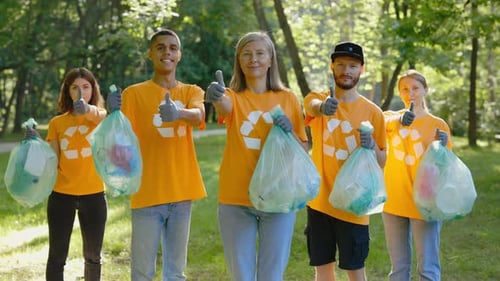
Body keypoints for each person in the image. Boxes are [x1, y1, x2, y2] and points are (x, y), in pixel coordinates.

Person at [205, 31, 308, 281]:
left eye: (260, 53)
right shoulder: (232, 96)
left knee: (272, 275)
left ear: (271, 59)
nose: (254, 60)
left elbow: (302, 151)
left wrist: (289, 130)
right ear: (239, 61)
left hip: (278, 197)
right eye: (247, 55)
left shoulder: (288, 98)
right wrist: (216, 95)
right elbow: (224, 106)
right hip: (236, 199)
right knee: (242, 275)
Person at [117, 29, 207, 281]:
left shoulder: (191, 92)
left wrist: (178, 113)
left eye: (172, 48)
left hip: (181, 192)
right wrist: (111, 115)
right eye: (160, 47)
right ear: (150, 54)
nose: (167, 52)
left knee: (176, 272)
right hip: (147, 193)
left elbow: (198, 115)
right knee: (142, 271)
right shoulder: (133, 94)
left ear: (179, 55)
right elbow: (119, 141)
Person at [303, 42, 387, 281]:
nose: (346, 70)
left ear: (362, 69)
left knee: (355, 269)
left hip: (355, 204)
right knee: (323, 269)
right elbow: (311, 106)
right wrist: (323, 107)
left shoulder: (373, 113)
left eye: (352, 66)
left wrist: (370, 146)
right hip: (320, 201)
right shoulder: (320, 98)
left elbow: (382, 161)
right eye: (340, 65)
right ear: (332, 66)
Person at [31, 67, 111, 281]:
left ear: (93, 90)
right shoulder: (58, 123)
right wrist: (35, 143)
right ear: (67, 91)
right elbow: (52, 160)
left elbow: (102, 118)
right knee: (57, 257)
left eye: (85, 87)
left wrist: (87, 111)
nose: (80, 93)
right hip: (61, 196)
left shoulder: (101, 118)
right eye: (75, 87)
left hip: (94, 195)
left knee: (93, 256)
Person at [382, 69, 451, 281]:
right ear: (399, 93)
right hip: (393, 200)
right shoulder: (390, 119)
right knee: (399, 268)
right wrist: (400, 119)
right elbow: (380, 127)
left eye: (415, 88)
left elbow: (445, 168)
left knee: (428, 267)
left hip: (424, 202)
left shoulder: (438, 125)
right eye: (404, 89)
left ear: (425, 90)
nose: (410, 93)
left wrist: (443, 146)